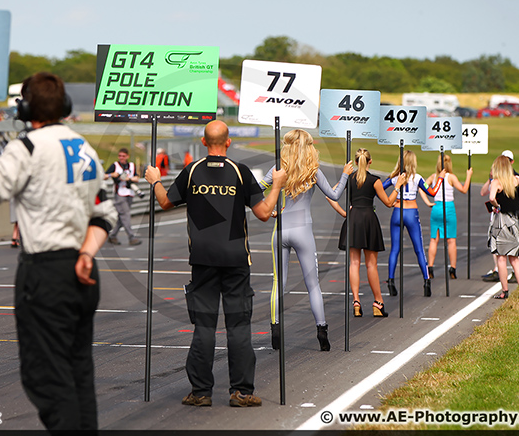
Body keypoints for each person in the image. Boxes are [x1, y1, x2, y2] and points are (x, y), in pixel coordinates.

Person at [0, 72, 118, 431]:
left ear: (24, 108)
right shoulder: (84, 146)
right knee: (78, 372)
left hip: (47, 273)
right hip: (84, 268)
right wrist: (86, 254)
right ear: (65, 106)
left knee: (48, 379)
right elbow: (106, 214)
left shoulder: (28, 147)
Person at [145, 120, 286, 408]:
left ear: (203, 142)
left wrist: (155, 179)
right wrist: (278, 185)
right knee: (238, 326)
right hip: (235, 259)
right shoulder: (239, 171)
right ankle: (242, 392)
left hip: (202, 259)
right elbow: (264, 212)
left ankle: (200, 392)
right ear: (229, 142)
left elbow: (164, 202)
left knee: (204, 327)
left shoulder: (193, 170)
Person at [258, 129, 353, 351]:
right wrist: (345, 174)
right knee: (313, 286)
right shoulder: (313, 170)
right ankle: (322, 330)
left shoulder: (278, 168)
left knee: (277, 283)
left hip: (280, 229)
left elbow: (254, 190)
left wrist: (269, 208)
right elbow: (335, 194)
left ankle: (275, 329)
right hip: (303, 231)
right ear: (309, 147)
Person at [327, 148, 407, 318]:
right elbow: (388, 202)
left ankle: (356, 301)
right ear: (370, 161)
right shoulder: (374, 180)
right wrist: (398, 186)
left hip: (353, 218)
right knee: (371, 264)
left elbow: (330, 196)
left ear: (356, 162)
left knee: (354, 263)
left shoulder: (348, 178)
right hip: (369, 219)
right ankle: (378, 302)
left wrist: (343, 213)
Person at [383, 150, 444, 297]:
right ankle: (426, 280)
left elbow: (378, 188)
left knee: (394, 249)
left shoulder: (394, 177)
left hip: (397, 212)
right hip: (411, 213)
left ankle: (391, 280)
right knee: (418, 248)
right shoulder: (417, 178)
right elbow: (433, 192)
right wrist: (440, 178)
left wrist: (389, 201)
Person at [479, 150, 519, 282]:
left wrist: (498, 205)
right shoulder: (509, 179)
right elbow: (483, 192)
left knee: (508, 250)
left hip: (509, 215)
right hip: (513, 214)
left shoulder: (514, 178)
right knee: (511, 253)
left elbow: (491, 197)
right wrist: (490, 178)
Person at [425, 154, 473, 279]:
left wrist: (427, 200)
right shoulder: (451, 177)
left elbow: (423, 186)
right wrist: (468, 176)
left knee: (433, 239)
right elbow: (463, 189)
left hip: (436, 207)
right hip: (448, 208)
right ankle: (452, 267)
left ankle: (430, 267)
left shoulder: (434, 177)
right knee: (451, 240)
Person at [487, 155, 519, 299]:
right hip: (514, 220)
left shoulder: (497, 182)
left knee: (501, 258)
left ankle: (505, 291)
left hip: (501, 221)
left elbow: (491, 198)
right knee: (514, 259)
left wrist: (497, 206)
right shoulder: (517, 181)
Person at [105, 148, 142, 245]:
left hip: (130, 193)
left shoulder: (132, 166)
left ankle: (112, 236)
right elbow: (103, 175)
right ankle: (131, 237)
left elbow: (137, 178)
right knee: (125, 215)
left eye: (123, 156)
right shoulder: (115, 165)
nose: (121, 158)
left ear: (127, 156)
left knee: (121, 217)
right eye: (120, 156)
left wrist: (128, 178)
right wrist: (111, 175)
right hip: (119, 194)